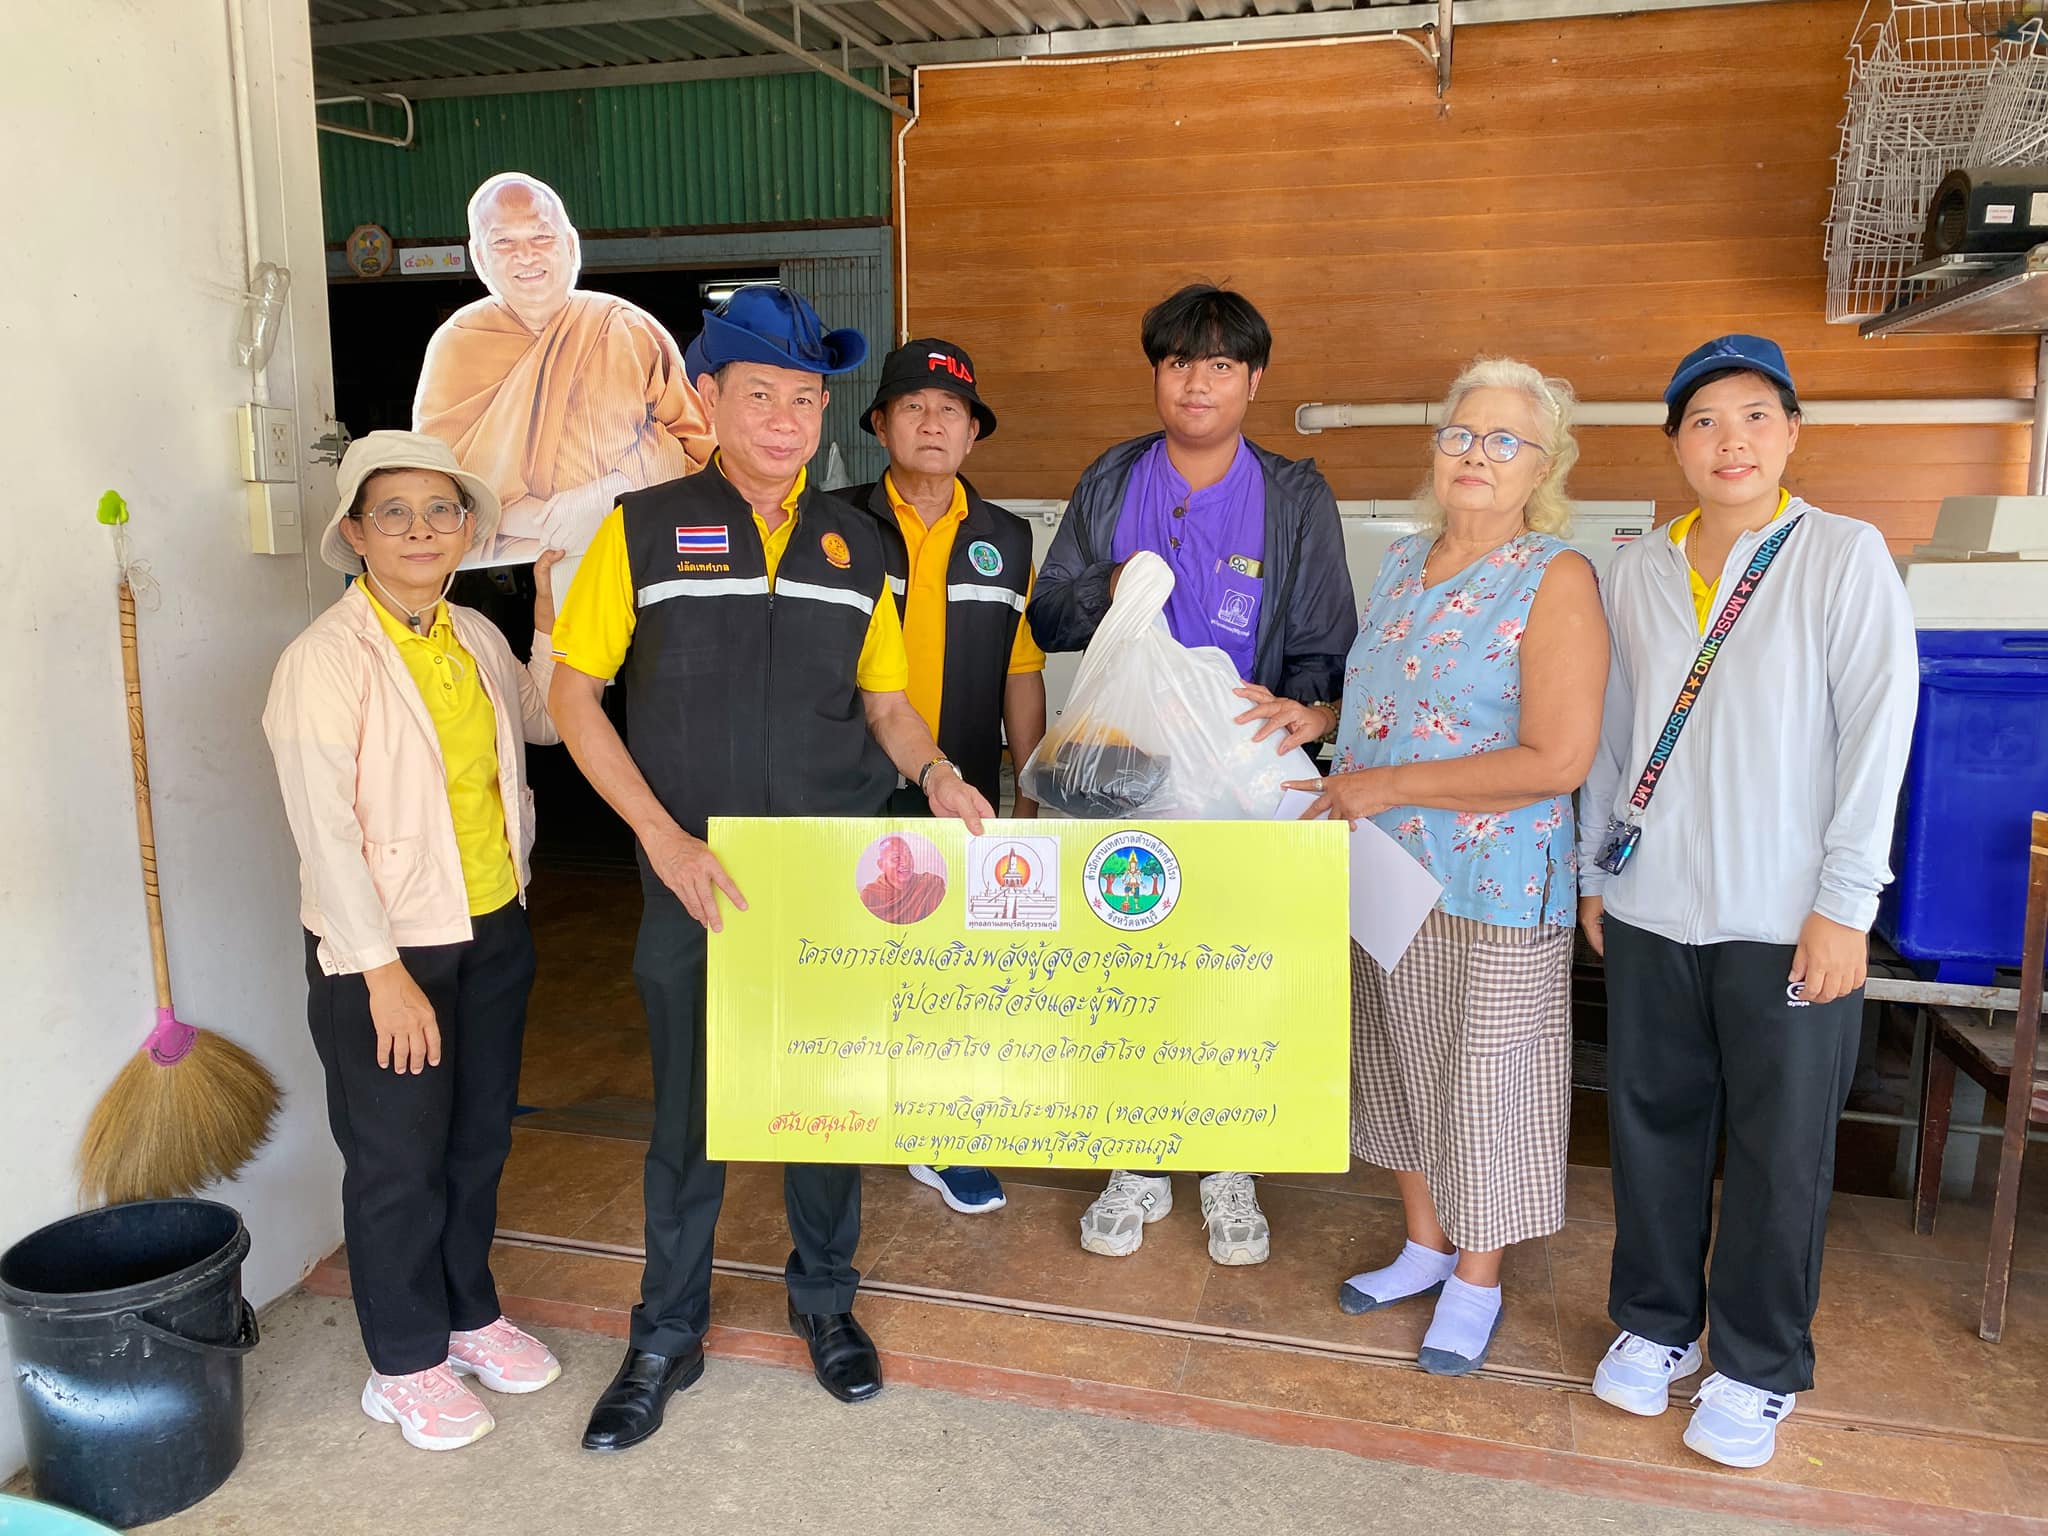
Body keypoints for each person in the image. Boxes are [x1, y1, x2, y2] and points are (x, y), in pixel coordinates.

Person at [548, 284, 994, 1451]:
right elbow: (573, 697)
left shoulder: (856, 545)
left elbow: (885, 704)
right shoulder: (642, 528)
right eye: (762, 395)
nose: (789, 419)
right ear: (709, 399)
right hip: (693, 875)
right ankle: (665, 1333)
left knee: (829, 1107)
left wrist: (939, 772)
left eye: (806, 398)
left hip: (824, 881)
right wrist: (659, 836)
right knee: (688, 1117)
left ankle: (826, 1305)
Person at [1576, 335, 1916, 1468]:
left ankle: (1758, 1363)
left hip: (1784, 913)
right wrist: (1594, 871)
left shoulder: (1840, 555)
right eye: (1705, 420)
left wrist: (1844, 905)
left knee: (1778, 1148)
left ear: (1790, 434)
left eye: (1754, 417)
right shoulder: (1633, 566)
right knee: (1651, 1125)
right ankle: (1656, 1325)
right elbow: (1612, 732)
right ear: (1674, 441)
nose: (1730, 440)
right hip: (1650, 904)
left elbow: (1878, 738)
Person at [1255, 358, 1607, 1375]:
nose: (1475, 455)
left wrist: (1386, 786)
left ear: (1542, 465)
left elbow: (1556, 758)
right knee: (1399, 1061)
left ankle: (1477, 1277)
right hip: (1385, 872)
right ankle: (1422, 1243)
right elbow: (1395, 697)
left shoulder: (1555, 576)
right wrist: (1314, 720)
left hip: (1493, 883)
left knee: (1481, 1084)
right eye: (1460, 433)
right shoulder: (1405, 562)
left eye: (1504, 440)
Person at [1028, 282, 1354, 1266]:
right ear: (1155, 375)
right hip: (1123, 769)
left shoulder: (1293, 493)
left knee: (1233, 973)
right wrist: (1113, 593)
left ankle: (1226, 1164)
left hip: (1243, 774)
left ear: (1253, 379)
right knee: (1124, 969)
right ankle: (1134, 1160)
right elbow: (1049, 615)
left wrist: (1305, 716)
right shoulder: (1113, 478)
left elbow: (1325, 641)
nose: (1196, 382)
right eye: (1177, 362)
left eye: (1219, 364)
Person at [262, 431, 567, 1451]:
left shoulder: (472, 634)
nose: (421, 529)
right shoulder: (324, 661)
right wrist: (381, 975)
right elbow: (324, 832)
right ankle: (403, 1362)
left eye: (440, 510)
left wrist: (554, 605)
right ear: (354, 534)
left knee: (476, 1142)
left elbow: (542, 726)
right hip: (389, 954)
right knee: (397, 1159)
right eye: (393, 512)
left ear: (467, 531)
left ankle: (467, 1314)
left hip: (490, 926)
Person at [838, 335, 1048, 1217]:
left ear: (972, 435)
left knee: (947, 967)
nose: (933, 423)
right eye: (914, 407)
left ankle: (943, 1133)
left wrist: (1028, 787)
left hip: (952, 789)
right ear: (881, 423)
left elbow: (1020, 670)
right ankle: (835, 1120)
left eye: (951, 411)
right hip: (842, 782)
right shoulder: (832, 521)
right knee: (845, 958)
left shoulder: (1005, 538)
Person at [414, 172, 715, 565]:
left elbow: (698, 449)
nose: (526, 256)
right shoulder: (457, 344)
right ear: (480, 257)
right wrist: (541, 522)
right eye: (504, 241)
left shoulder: (624, 327)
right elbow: (433, 483)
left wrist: (613, 495)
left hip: (632, 553)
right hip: (510, 569)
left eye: (541, 237)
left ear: (571, 246)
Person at [859, 833, 947, 925]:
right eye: (896, 858)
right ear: (881, 865)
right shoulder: (870, 895)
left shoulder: (930, 885)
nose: (905, 863)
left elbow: (941, 922)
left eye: (908, 856)